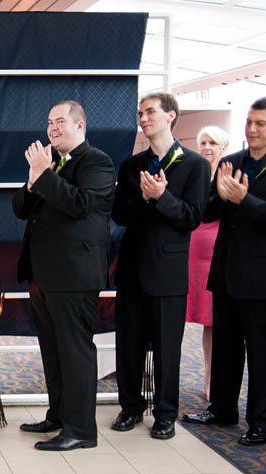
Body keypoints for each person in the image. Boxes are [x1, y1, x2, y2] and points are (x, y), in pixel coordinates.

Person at [13, 100, 115, 451]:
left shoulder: (97, 162)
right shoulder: (48, 162)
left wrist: (44, 175)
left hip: (74, 275)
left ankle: (81, 430)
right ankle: (58, 415)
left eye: (60, 121)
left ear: (80, 126)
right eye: (49, 122)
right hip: (43, 274)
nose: (52, 128)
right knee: (53, 351)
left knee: (75, 353)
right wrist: (32, 180)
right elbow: (20, 210)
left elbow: (80, 205)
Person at [110, 93, 210, 440]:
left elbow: (192, 217)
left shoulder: (195, 165)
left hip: (168, 273)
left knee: (168, 348)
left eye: (150, 111)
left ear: (171, 116)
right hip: (132, 268)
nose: (143, 117)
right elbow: (119, 213)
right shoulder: (130, 165)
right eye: (140, 112)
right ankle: (131, 408)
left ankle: (166, 414)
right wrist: (143, 197)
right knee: (129, 345)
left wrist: (162, 198)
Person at [183, 97, 266, 446]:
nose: (252, 129)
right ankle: (221, 407)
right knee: (227, 345)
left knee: (261, 352)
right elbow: (210, 212)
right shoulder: (231, 162)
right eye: (249, 122)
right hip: (227, 270)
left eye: (260, 124)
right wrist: (217, 196)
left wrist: (242, 200)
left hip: (260, 277)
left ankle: (261, 421)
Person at [188, 126, 229, 399]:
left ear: (223, 147)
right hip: (188, 254)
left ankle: (211, 378)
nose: (206, 147)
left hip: (218, 254)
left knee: (214, 321)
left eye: (213, 142)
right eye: (202, 141)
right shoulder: (192, 173)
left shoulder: (230, 174)